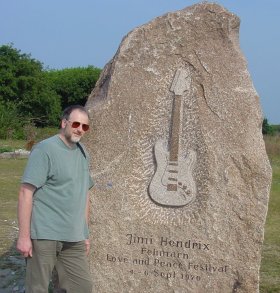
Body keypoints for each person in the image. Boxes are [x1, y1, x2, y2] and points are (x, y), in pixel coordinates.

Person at [16, 105, 94, 293]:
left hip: (73, 239)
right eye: (76, 124)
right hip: (44, 236)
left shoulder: (83, 153)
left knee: (82, 287)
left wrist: (84, 233)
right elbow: (26, 193)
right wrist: (24, 236)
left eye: (85, 126)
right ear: (64, 122)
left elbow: (84, 194)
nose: (80, 129)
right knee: (38, 289)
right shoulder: (45, 150)